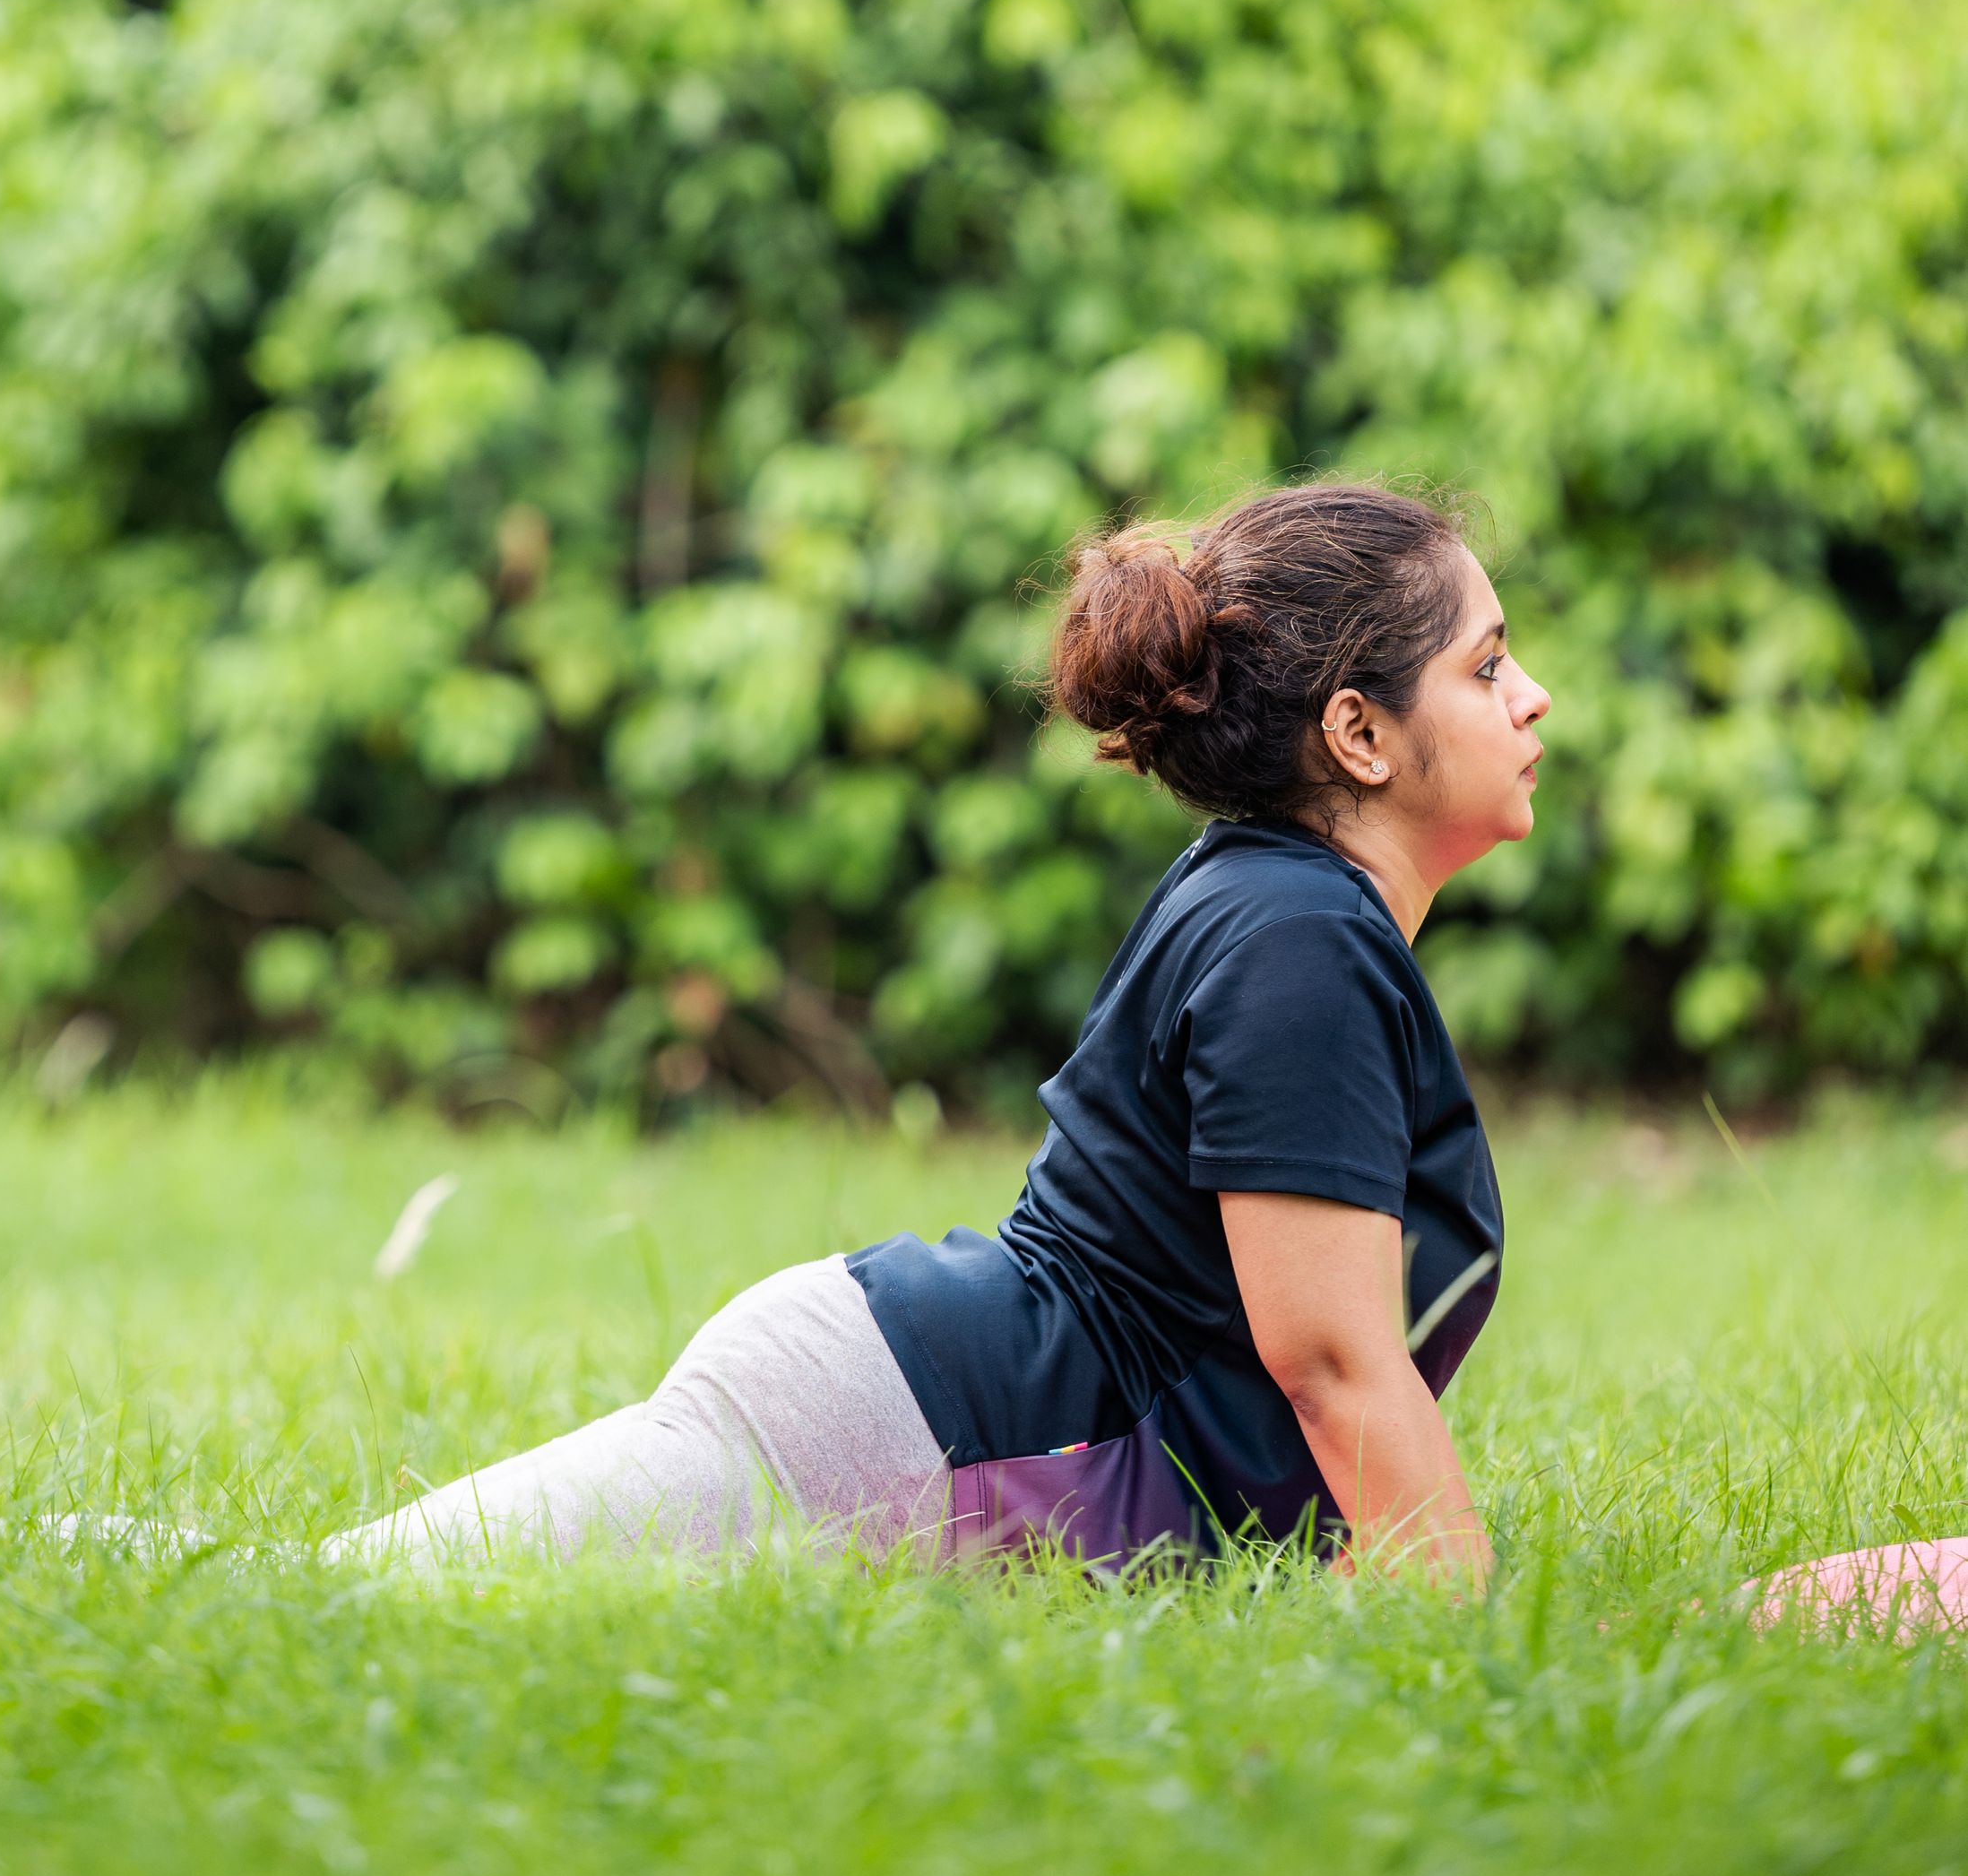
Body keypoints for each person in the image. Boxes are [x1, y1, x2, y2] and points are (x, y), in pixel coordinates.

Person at [332, 479, 1549, 1588]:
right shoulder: (1297, 941)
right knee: (346, 1598)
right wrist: (1481, 1641)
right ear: (1359, 735)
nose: (1530, 694)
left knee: (364, 1591)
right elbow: (1332, 1370)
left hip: (913, 1410)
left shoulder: (1285, 912)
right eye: (1485, 666)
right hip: (890, 1427)